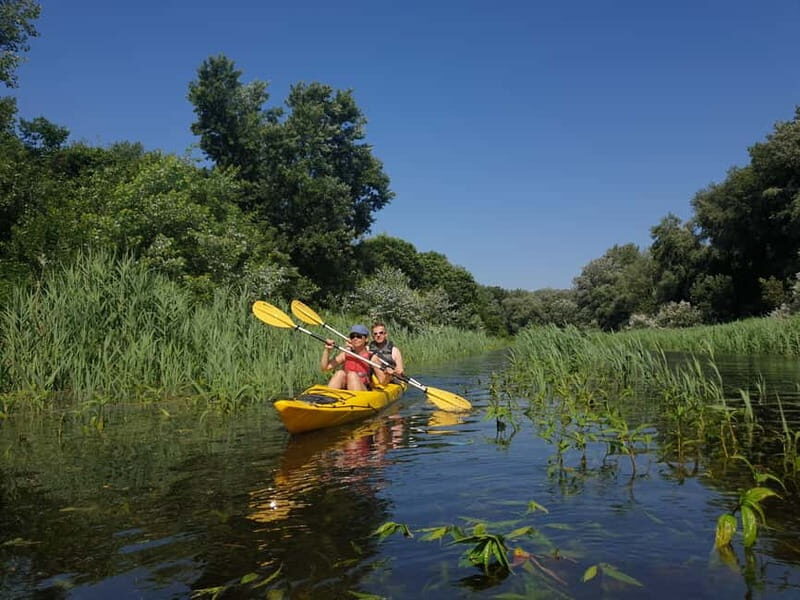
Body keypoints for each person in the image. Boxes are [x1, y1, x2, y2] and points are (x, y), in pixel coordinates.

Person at [320, 324, 376, 390]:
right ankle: (328, 396)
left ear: (366, 339)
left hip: (363, 390)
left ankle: (355, 399)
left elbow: (383, 380)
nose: (355, 338)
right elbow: (325, 368)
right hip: (346, 390)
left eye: (359, 336)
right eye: (352, 336)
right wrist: (327, 350)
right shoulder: (345, 354)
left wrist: (388, 373)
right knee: (339, 373)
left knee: (352, 375)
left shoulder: (371, 357)